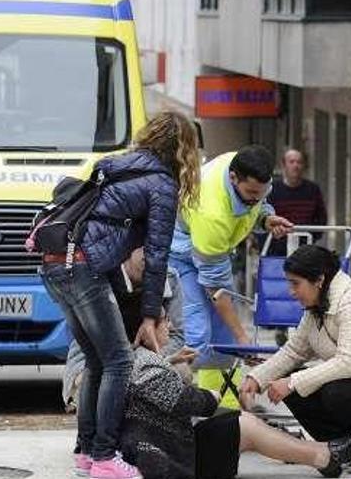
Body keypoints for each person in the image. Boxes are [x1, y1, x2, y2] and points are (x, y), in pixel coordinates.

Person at [40, 111, 201, 479]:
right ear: (182, 150)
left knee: (98, 361)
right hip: (82, 267)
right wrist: (150, 315)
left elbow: (105, 236)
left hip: (55, 263)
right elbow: (157, 254)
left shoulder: (115, 165)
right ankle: (104, 457)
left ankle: (86, 452)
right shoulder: (160, 184)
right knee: (118, 363)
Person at [117, 307, 351, 479]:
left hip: (169, 446)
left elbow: (154, 389)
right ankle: (324, 456)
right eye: (164, 320)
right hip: (171, 457)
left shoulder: (130, 358)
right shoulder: (146, 364)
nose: (169, 325)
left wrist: (170, 361)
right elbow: (184, 400)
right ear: (144, 329)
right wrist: (211, 396)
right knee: (244, 425)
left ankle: (322, 456)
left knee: (241, 423)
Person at [240, 245, 351, 446]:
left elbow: (349, 363)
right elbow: (294, 351)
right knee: (286, 380)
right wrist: (257, 377)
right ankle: (343, 443)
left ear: (320, 280)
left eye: (296, 284)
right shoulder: (316, 305)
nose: (291, 292)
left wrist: (292, 382)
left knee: (333, 392)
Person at [169, 146, 292, 390]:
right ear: (233, 179)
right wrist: (243, 340)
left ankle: (221, 401)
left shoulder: (243, 168)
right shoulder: (211, 212)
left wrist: (266, 218)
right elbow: (218, 290)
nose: (257, 198)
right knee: (195, 334)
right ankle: (175, 400)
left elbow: (260, 202)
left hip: (214, 251)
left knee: (224, 337)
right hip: (182, 255)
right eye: (251, 193)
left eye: (262, 192)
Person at [63, 248, 190, 412]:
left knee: (181, 372)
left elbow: (177, 336)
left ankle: (162, 433)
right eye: (144, 249)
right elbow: (96, 345)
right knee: (100, 383)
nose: (150, 256)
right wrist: (145, 359)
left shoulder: (170, 278)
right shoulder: (101, 279)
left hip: (151, 353)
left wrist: (160, 358)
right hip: (98, 358)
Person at [265, 149, 327, 256]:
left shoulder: (312, 190)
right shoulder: (272, 189)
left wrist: (311, 236)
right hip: (275, 251)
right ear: (284, 165)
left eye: (299, 162)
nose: (296, 166)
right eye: (292, 162)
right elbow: (264, 216)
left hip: (305, 248)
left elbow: (321, 218)